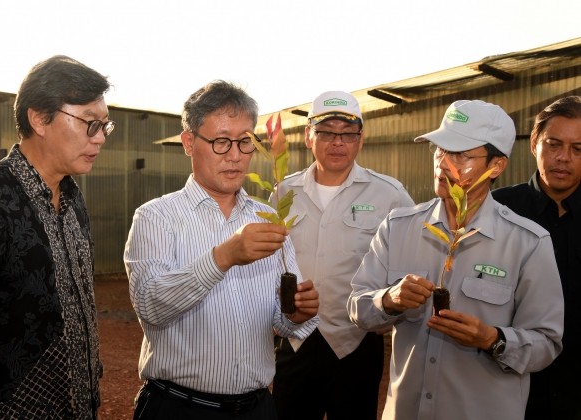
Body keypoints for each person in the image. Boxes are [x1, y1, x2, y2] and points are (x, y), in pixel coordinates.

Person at [347, 99, 564, 420]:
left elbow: (546, 343)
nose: (443, 164)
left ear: (497, 166)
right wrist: (389, 299)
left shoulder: (528, 243)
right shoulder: (398, 227)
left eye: (461, 155)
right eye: (440, 151)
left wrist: (492, 339)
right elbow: (358, 309)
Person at [123, 80, 319, 420]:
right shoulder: (157, 217)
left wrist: (296, 313)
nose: (235, 156)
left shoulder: (268, 217)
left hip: (257, 409)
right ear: (188, 142)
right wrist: (223, 257)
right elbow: (151, 306)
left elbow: (282, 320)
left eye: (245, 142)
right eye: (221, 142)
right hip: (180, 409)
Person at [0, 55, 114, 418]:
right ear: (39, 118)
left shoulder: (74, 198)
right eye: (90, 124)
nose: (100, 138)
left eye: (105, 126)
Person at [271, 91, 414, 420]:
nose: (338, 142)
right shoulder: (283, 192)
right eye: (326, 132)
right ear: (309, 136)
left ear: (360, 139)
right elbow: (270, 263)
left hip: (356, 342)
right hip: (296, 340)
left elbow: (407, 266)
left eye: (348, 133)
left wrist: (389, 312)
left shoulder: (390, 195)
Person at [492, 96, 581, 420]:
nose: (563, 158)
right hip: (506, 381)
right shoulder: (497, 210)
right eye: (553, 144)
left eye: (578, 149)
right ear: (533, 143)